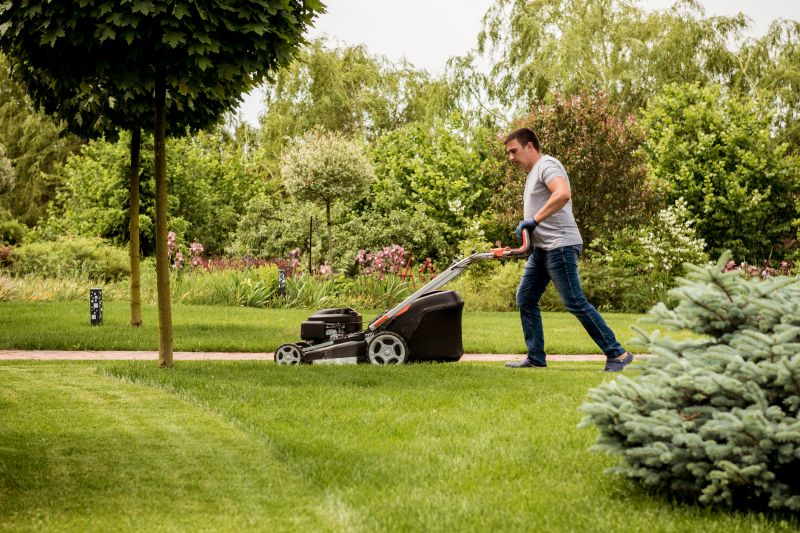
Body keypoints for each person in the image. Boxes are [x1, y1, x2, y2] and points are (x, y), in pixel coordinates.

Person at [503, 127, 633, 371]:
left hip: (560, 246)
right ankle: (536, 358)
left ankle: (618, 354)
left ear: (530, 146)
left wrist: (535, 220)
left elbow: (562, 194)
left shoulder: (547, 165)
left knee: (574, 301)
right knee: (526, 298)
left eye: (514, 151)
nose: (511, 157)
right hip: (543, 248)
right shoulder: (533, 172)